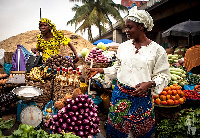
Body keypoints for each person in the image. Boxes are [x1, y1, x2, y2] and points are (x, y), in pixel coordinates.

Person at [87, 6, 171, 138]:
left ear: (141, 27)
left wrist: (150, 83)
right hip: (120, 97)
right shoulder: (123, 47)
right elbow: (117, 68)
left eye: (129, 27)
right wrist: (100, 70)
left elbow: (164, 75)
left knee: (140, 132)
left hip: (142, 99)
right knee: (117, 131)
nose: (126, 30)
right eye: (125, 27)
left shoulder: (157, 50)